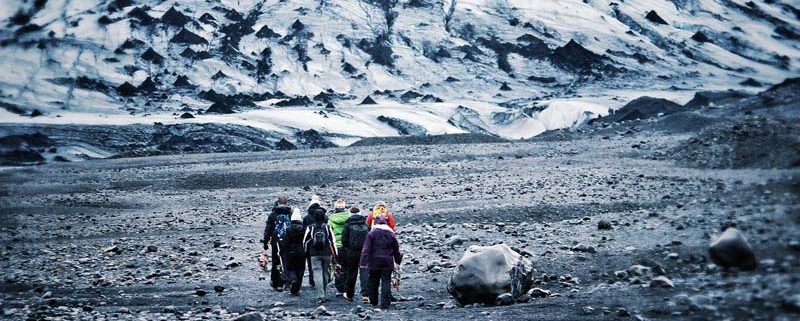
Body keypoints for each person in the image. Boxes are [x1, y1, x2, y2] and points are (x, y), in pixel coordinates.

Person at [360, 216, 402, 309]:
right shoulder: (391, 234)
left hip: (374, 261)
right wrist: (398, 260)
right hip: (387, 261)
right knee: (386, 281)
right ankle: (385, 303)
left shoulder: (371, 234)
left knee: (373, 281)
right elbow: (396, 249)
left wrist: (363, 262)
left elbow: (366, 249)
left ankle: (374, 300)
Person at [303, 206, 338, 304]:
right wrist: (335, 253)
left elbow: (305, 241)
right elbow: (332, 240)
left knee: (317, 273)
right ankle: (324, 292)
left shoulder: (311, 227)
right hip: (326, 253)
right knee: (326, 273)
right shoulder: (327, 227)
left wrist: (306, 253)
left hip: (314, 254)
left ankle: (320, 295)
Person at [262, 196, 292, 291]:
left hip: (276, 241)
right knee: (286, 260)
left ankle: (276, 282)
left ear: (278, 203)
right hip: (287, 241)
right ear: (287, 203)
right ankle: (286, 282)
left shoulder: (273, 214)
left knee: (276, 261)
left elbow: (268, 229)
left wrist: (265, 242)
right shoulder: (290, 213)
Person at [341, 206, 370, 302]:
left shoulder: (348, 225)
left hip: (351, 252)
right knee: (364, 272)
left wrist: (347, 248)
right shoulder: (366, 225)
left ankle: (349, 294)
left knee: (351, 273)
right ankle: (366, 294)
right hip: (364, 252)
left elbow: (344, 240)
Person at [303, 195, 327, 288]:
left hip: (311, 245)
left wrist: (304, 246)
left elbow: (304, 231)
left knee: (311, 264)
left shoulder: (307, 218)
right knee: (324, 265)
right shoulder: (325, 217)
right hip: (324, 245)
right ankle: (323, 282)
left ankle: (312, 281)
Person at [283, 208, 307, 295]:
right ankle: (297, 288)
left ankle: (293, 279)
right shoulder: (304, 229)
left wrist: (283, 251)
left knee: (291, 268)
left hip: (291, 252)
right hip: (301, 252)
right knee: (301, 269)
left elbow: (285, 242)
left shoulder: (288, 230)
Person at [327, 198, 349, 293]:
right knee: (348, 266)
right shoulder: (349, 218)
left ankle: (340, 287)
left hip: (336, 247)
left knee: (338, 266)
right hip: (348, 246)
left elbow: (328, 233)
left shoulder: (331, 219)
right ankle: (347, 286)